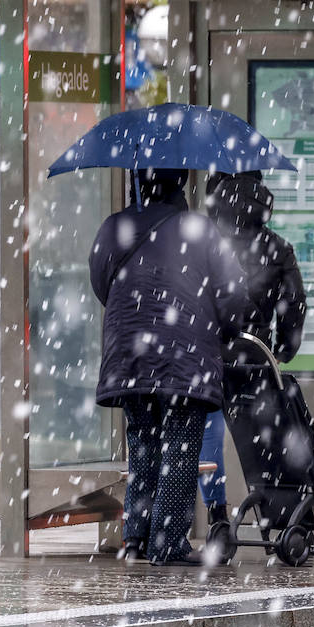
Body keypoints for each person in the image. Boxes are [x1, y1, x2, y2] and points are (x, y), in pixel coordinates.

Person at [90, 168, 247, 566]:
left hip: (129, 353)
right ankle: (168, 541)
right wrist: (229, 329)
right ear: (179, 184)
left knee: (142, 441)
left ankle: (136, 538)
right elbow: (231, 291)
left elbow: (101, 284)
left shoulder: (114, 227)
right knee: (179, 445)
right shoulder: (198, 229)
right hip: (184, 353)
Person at [204, 171, 308, 524]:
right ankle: (275, 510)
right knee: (264, 439)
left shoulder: (208, 242)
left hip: (208, 352)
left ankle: (216, 512)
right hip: (256, 356)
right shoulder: (277, 247)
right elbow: (294, 301)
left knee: (207, 433)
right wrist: (283, 348)